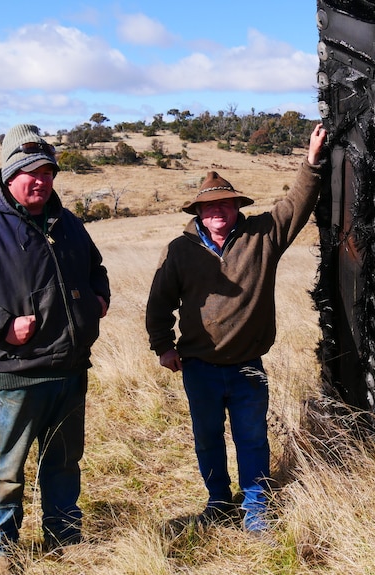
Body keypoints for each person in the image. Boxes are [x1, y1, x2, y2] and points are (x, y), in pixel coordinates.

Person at [0, 124, 110, 567]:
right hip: (19, 372)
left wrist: (98, 298)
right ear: (9, 175)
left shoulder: (66, 223)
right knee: (9, 469)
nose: (41, 181)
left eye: (48, 172)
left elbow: (96, 267)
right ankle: (0, 548)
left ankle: (64, 535)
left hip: (70, 368)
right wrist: (2, 327)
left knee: (65, 461)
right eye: (30, 172)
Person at [146, 124, 327, 533]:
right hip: (199, 366)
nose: (217, 212)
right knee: (207, 438)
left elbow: (296, 203)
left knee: (252, 437)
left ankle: (256, 505)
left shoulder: (262, 235)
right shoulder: (179, 251)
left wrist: (312, 160)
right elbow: (159, 304)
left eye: (225, 205)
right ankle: (217, 501)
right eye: (209, 207)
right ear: (198, 213)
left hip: (248, 365)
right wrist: (163, 346)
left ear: (236, 207)